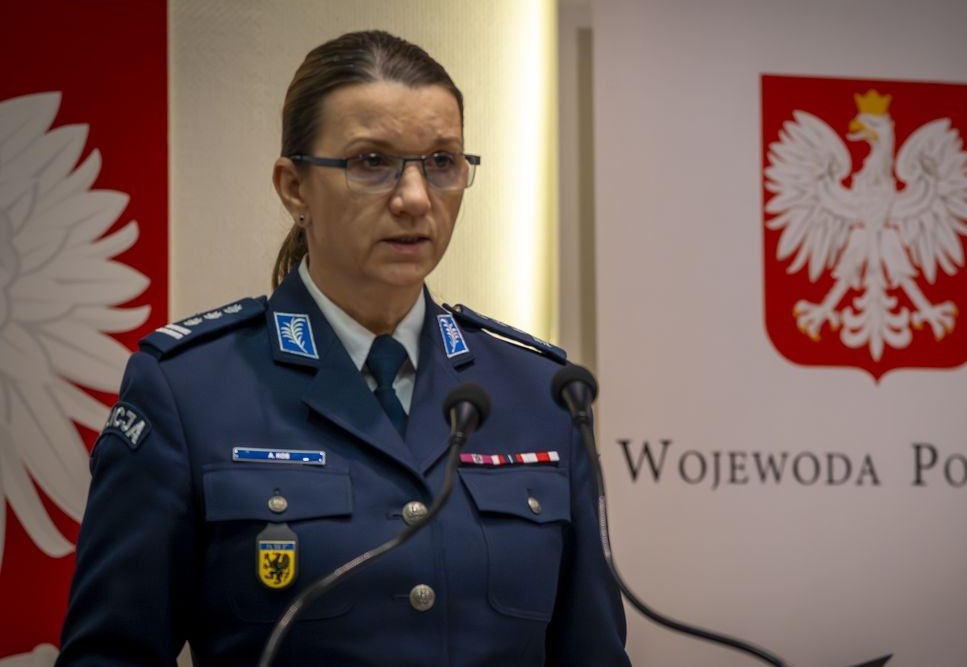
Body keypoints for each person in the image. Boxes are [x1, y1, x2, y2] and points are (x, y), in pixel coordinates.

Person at [57, 29, 630, 667]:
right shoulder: (188, 391)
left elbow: (593, 653)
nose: (415, 198)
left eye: (442, 162)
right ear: (294, 187)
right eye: (372, 161)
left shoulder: (542, 394)